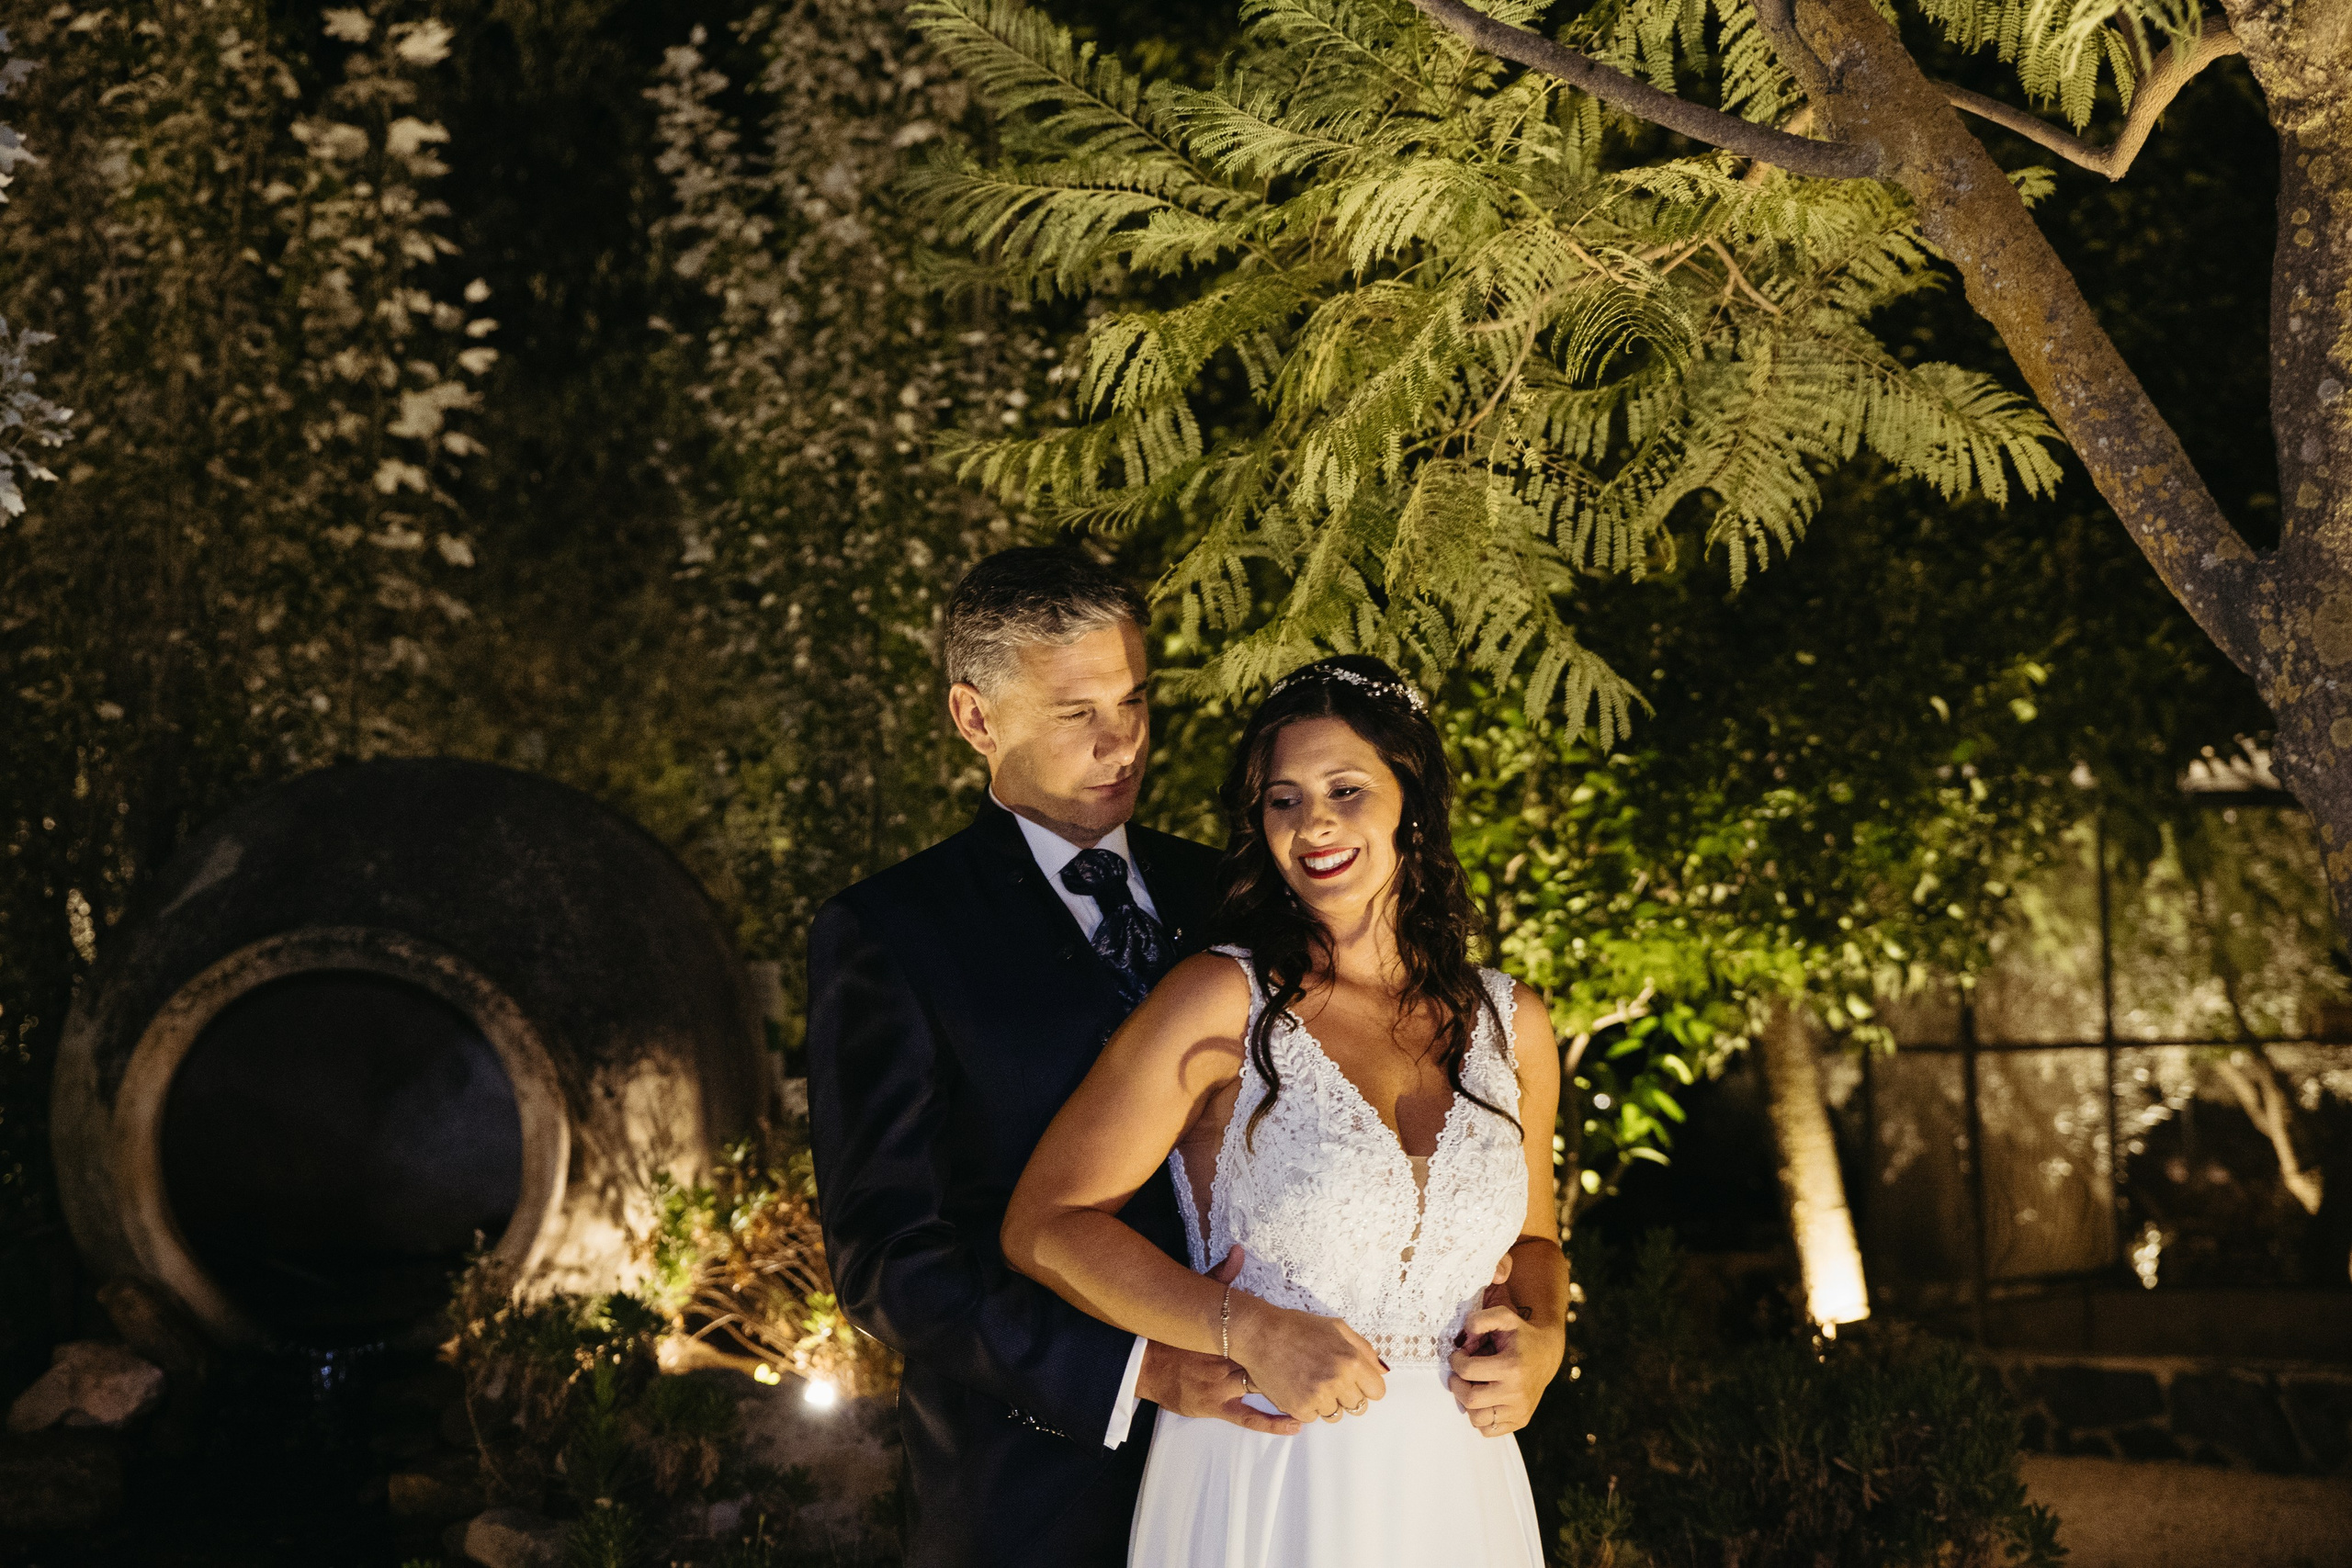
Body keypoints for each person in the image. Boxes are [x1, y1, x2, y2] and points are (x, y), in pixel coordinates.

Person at [1002, 653, 1569, 1567]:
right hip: (1271, 1474)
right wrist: (1246, 1328)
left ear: (1410, 805)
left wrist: (1542, 1343)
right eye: (1284, 800)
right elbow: (1045, 1226)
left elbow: (1535, 1245)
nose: (1314, 824)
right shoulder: (1217, 1000)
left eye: (1346, 790)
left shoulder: (1512, 1023)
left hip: (1460, 1487)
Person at [806, 547, 1302, 1568]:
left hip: (1268, 1458)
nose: (1121, 742)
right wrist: (1131, 1370)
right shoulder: (891, 933)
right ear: (974, 718)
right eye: (1078, 712)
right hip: (1033, 1489)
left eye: (1134, 700)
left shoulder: (1239, 896)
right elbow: (888, 1260)